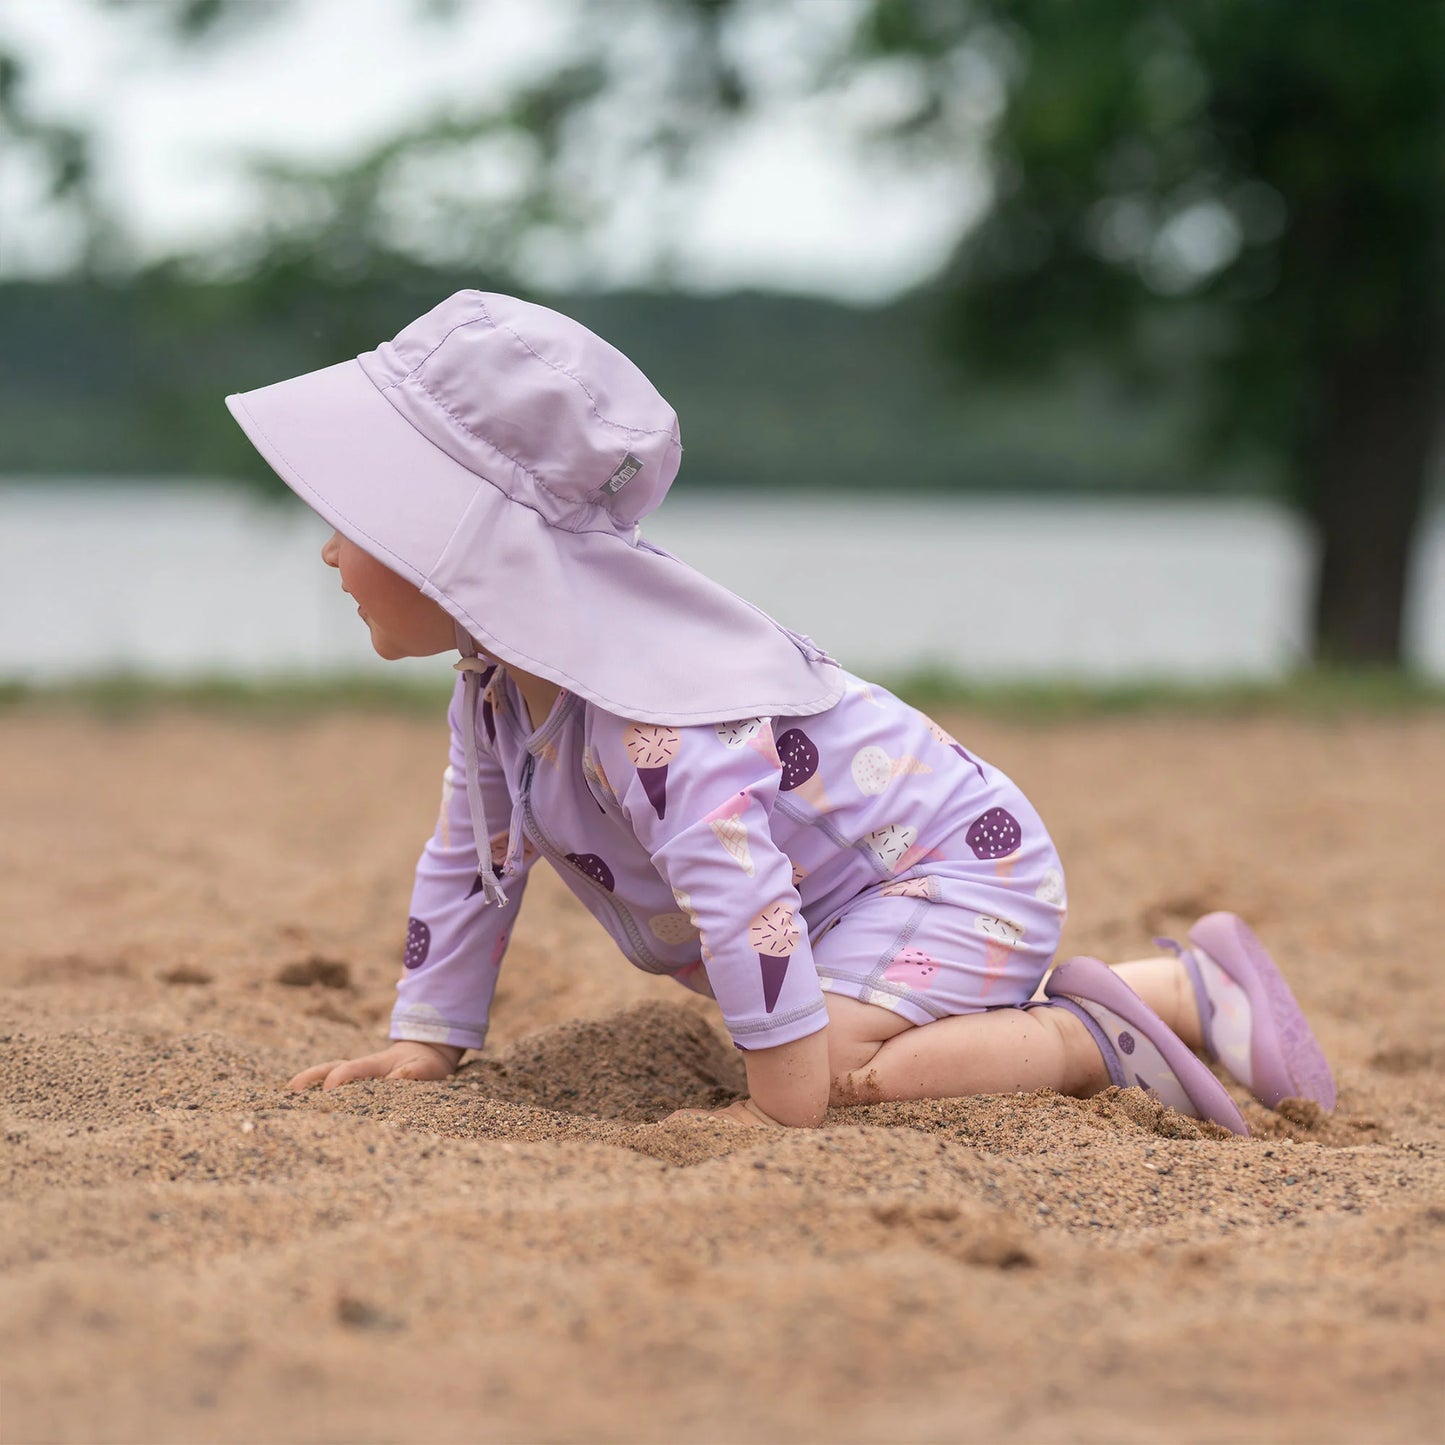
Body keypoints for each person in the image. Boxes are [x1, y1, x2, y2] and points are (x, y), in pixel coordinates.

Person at [227, 291, 1336, 1132]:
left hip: (949, 870)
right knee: (817, 1050)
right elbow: (471, 857)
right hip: (852, 910)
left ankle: (1102, 1028)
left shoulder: (651, 712)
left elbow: (741, 893)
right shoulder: (495, 690)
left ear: (458, 544)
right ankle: (1140, 990)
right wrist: (428, 1038)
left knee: (851, 1077)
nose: (327, 546)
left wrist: (779, 1078)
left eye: (356, 519)